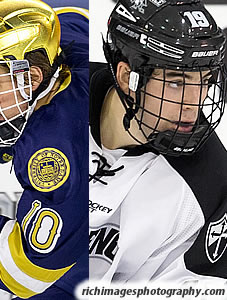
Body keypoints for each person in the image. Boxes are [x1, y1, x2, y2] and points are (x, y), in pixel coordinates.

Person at [0, 0, 89, 298]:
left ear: (33, 78)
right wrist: (12, 116)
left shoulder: (52, 152)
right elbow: (71, 17)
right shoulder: (67, 42)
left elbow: (26, 273)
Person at [89, 0, 227, 282]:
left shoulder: (211, 181)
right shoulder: (62, 102)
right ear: (128, 77)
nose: (194, 103)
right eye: (177, 82)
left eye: (206, 81)